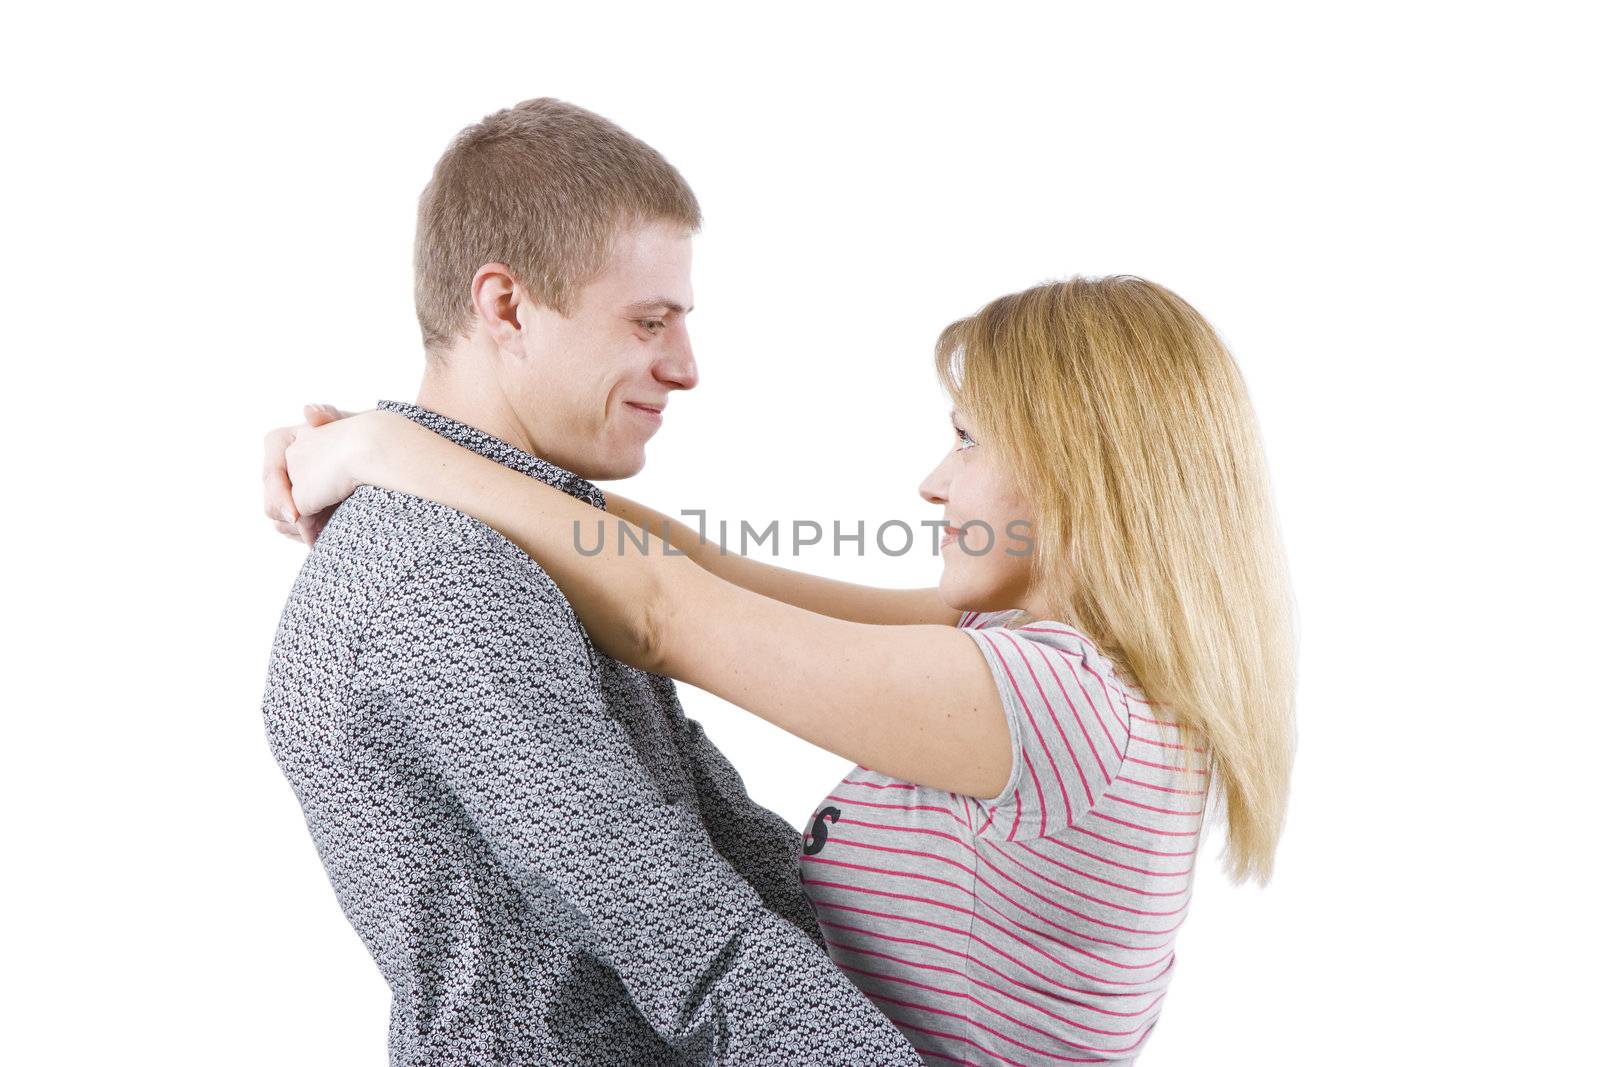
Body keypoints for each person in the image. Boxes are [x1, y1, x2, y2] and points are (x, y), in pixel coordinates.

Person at [263, 274, 1298, 1064]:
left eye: (966, 439)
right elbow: (705, 567)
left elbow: (668, 615)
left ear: (1081, 468)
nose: (932, 483)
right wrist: (428, 450)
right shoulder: (1091, 681)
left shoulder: (1050, 706)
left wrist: (397, 454)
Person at [258, 96, 923, 1066]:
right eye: (649, 320)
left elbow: (713, 843)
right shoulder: (445, 576)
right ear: (506, 306)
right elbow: (683, 933)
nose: (685, 366)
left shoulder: (516, 535)